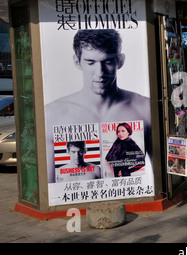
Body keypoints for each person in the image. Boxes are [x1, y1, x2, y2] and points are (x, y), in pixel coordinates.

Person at [45, 29, 152, 183]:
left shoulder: (144, 108)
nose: (99, 72)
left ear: (120, 61)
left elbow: (159, 179)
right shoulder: (52, 114)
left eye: (107, 61)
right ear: (77, 62)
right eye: (90, 62)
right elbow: (49, 191)